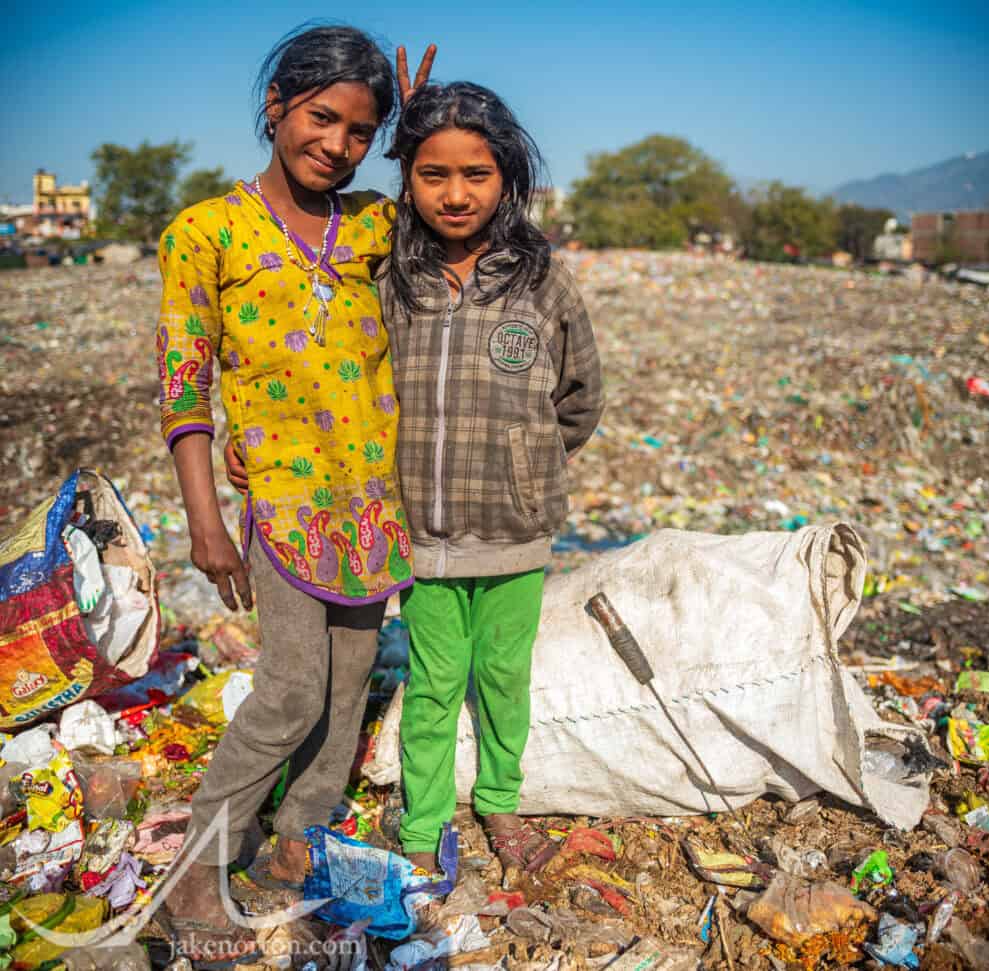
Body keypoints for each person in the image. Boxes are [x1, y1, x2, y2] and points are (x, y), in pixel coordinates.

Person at [155, 24, 434, 964]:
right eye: (323, 117)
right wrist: (205, 518)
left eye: (361, 132)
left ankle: (295, 846)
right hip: (281, 503)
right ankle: (198, 867)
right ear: (277, 103)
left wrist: (419, 127)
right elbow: (185, 384)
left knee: (351, 687)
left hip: (375, 507)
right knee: (289, 689)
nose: (337, 144)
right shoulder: (205, 232)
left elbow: (463, 209)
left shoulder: (374, 226)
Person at [380, 82, 604, 875]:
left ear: (507, 176)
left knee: (505, 676)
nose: (455, 193)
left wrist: (525, 465)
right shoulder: (393, 280)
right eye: (433, 173)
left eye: (475, 173)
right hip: (426, 534)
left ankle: (501, 801)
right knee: (434, 680)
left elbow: (579, 400)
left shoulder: (541, 282)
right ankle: (422, 824)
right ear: (407, 178)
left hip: (515, 533)